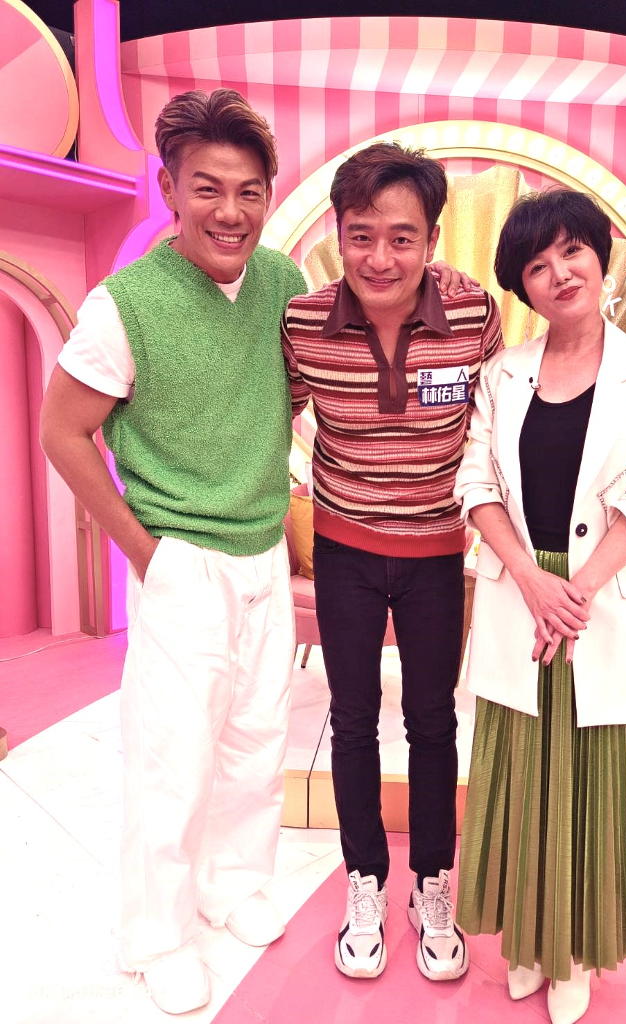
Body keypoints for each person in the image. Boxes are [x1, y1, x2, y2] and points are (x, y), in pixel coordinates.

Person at [39, 88, 310, 1016]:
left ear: (268, 194)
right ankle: (155, 935)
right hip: (182, 556)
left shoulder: (282, 281)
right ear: (169, 189)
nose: (230, 211)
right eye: (208, 188)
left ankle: (233, 885)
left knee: (257, 739)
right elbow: (63, 431)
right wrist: (143, 551)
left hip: (264, 546)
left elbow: (288, 393)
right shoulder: (126, 305)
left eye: (249, 191)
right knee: (173, 757)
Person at [453, 189, 626, 1024]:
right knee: (523, 781)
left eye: (571, 252)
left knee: (603, 788)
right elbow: (475, 484)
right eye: (536, 264)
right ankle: (528, 941)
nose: (558, 272)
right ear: (521, 285)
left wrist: (579, 589)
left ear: (601, 257)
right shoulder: (501, 376)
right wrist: (531, 579)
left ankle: (581, 954)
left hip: (608, 602)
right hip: (524, 599)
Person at [282, 142, 503, 983]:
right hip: (344, 549)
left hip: (438, 553)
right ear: (337, 234)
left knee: (434, 722)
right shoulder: (303, 324)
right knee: (351, 718)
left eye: (402, 237)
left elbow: (500, 426)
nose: (381, 257)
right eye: (362, 236)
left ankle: (432, 882)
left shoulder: (474, 314)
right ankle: (366, 880)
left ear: (432, 240)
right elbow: (269, 417)